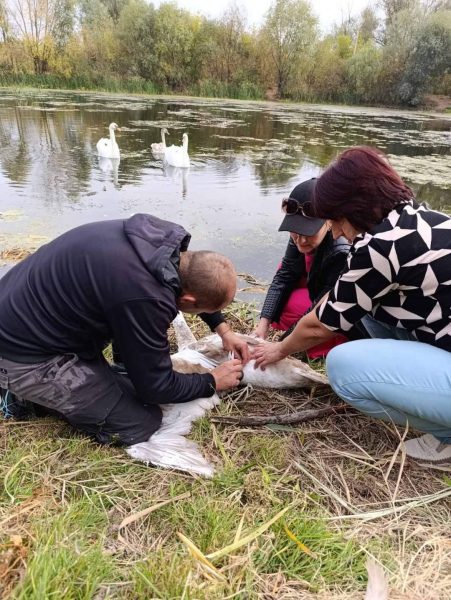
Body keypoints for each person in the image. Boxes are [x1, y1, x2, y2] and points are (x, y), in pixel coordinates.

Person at [254, 146, 451, 465]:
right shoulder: (416, 217)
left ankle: (448, 436)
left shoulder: (382, 247)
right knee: (370, 310)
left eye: (335, 218)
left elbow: (321, 323)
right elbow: (339, 300)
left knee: (342, 367)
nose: (334, 230)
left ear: (356, 206)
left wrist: (279, 350)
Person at [0, 213, 248, 446]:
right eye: (203, 309)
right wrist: (212, 381)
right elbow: (156, 388)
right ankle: (21, 395)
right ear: (191, 301)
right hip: (22, 355)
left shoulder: (160, 241)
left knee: (131, 380)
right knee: (140, 421)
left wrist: (224, 330)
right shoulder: (144, 296)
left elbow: (197, 281)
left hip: (26, 318)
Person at [253, 178, 350, 358]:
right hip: (314, 284)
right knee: (285, 304)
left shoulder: (341, 251)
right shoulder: (299, 235)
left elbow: (321, 306)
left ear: (329, 222)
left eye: (309, 233)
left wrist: (283, 345)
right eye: (295, 232)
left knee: (300, 313)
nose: (301, 240)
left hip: (333, 301)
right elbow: (284, 275)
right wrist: (263, 324)